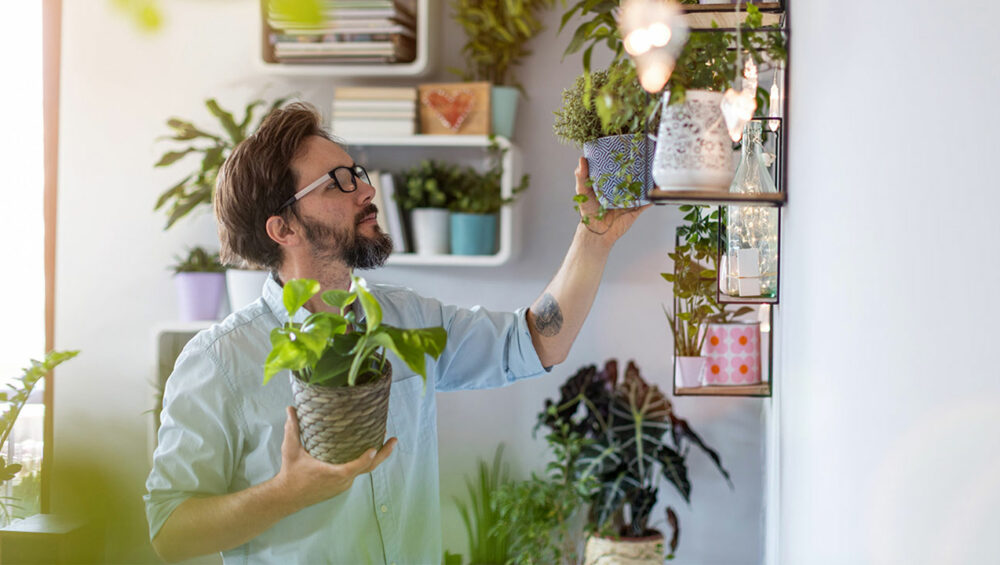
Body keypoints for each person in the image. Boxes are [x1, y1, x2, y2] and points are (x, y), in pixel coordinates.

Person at [144, 102, 643, 564]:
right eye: (339, 181)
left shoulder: (405, 319)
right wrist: (288, 492)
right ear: (283, 229)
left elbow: (537, 341)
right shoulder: (218, 362)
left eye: (356, 173)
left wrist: (593, 239)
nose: (366, 190)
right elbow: (170, 531)